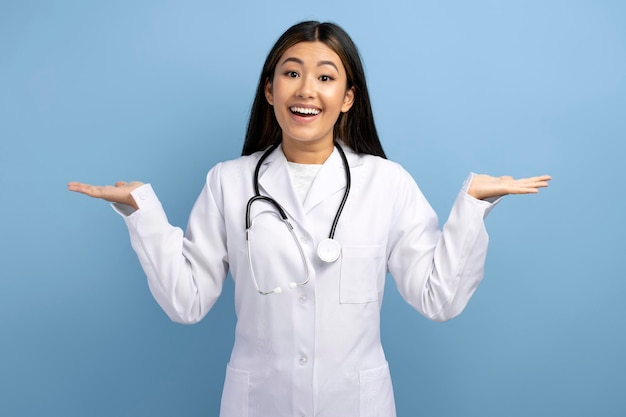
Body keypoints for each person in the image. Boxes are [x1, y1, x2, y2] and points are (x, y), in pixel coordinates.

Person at [68, 21, 550, 417]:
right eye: (291, 73)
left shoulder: (387, 183)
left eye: (325, 77)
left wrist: (473, 205)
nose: (306, 90)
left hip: (357, 405)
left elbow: (437, 297)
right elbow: (187, 302)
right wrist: (140, 211)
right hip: (259, 404)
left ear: (347, 98)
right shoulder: (228, 182)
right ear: (269, 90)